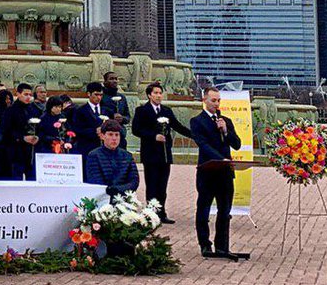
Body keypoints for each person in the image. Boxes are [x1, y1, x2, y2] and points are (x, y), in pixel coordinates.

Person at [190, 87, 244, 260]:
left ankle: (222, 246)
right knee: (203, 209)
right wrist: (221, 159)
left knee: (225, 210)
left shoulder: (225, 121)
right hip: (208, 171)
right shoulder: (197, 121)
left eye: (218, 100)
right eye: (213, 100)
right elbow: (203, 144)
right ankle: (205, 244)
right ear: (204, 100)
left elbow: (237, 144)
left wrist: (226, 131)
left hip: (225, 174)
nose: (216, 103)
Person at [131, 81, 191, 224]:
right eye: (155, 93)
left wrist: (195, 135)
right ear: (149, 95)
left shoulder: (166, 111)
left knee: (162, 185)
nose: (158, 96)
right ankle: (151, 213)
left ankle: (162, 212)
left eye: (160, 93)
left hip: (164, 154)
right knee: (151, 184)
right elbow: (136, 130)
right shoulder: (142, 111)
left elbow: (177, 126)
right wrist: (153, 136)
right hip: (150, 153)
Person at [84, 120, 139, 196]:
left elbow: (134, 182)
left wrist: (117, 190)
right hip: (101, 198)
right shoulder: (94, 155)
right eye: (110, 134)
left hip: (124, 198)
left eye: (117, 135)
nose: (114, 138)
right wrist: (110, 190)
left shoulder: (127, 155)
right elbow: (95, 181)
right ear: (102, 136)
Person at [0, 83, 39, 181]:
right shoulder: (10, 111)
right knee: (16, 179)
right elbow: (6, 131)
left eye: (30, 95)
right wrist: (22, 138)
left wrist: (37, 137)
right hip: (15, 151)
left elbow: (39, 128)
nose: (28, 97)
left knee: (32, 179)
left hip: (31, 151)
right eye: (25, 94)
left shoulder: (33, 110)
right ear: (18, 94)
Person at [71, 82, 106, 159]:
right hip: (86, 148)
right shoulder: (80, 110)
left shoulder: (107, 110)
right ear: (89, 94)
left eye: (101, 95)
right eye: (96, 94)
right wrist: (95, 131)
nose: (99, 97)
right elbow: (77, 129)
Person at [100, 72, 131, 148]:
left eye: (116, 79)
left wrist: (122, 118)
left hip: (120, 134)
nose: (114, 81)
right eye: (111, 79)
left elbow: (128, 117)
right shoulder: (101, 97)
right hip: (106, 134)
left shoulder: (122, 97)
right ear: (105, 82)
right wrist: (111, 116)